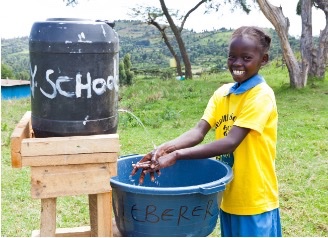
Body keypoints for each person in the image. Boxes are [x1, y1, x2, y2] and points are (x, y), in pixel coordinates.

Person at [131, 26, 282, 237]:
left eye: (246, 58)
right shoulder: (223, 94)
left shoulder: (260, 96)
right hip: (228, 194)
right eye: (232, 57)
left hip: (254, 196)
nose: (237, 64)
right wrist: (165, 149)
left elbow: (231, 142)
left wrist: (177, 155)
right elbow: (198, 131)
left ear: (263, 60)